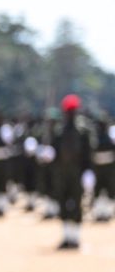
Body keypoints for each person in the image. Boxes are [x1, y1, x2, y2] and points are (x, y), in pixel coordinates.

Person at [53, 94, 93, 250]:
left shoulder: (84, 130)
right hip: (62, 173)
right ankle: (66, 236)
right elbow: (55, 152)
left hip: (78, 173)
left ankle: (75, 237)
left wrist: (89, 171)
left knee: (77, 203)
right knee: (63, 202)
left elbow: (88, 153)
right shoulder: (59, 130)